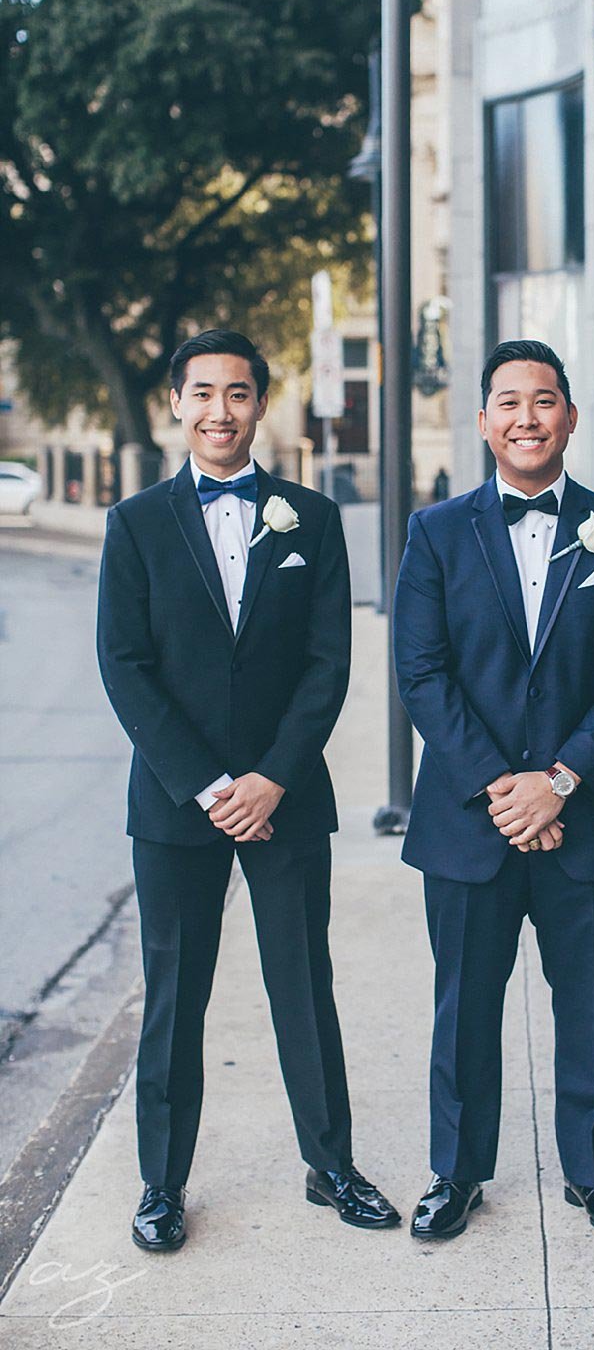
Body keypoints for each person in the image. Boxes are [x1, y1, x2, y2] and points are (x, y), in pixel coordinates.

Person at [97, 328, 396, 1252]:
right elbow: (125, 665)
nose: (220, 410)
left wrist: (272, 777)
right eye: (203, 393)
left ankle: (331, 1164)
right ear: (178, 404)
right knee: (175, 993)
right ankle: (160, 1185)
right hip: (178, 805)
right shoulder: (137, 523)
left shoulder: (313, 516)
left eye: (238, 393)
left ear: (262, 405)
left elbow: (327, 664)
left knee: (304, 983)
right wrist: (208, 784)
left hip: (287, 794)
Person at [393, 339, 594, 1239]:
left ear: (570, 417)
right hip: (470, 820)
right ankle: (457, 1173)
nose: (526, 418)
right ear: (482, 423)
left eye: (543, 401)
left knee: (589, 1001)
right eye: (508, 403)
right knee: (464, 1003)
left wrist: (557, 782)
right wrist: (503, 789)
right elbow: (423, 672)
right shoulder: (434, 533)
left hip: (586, 814)